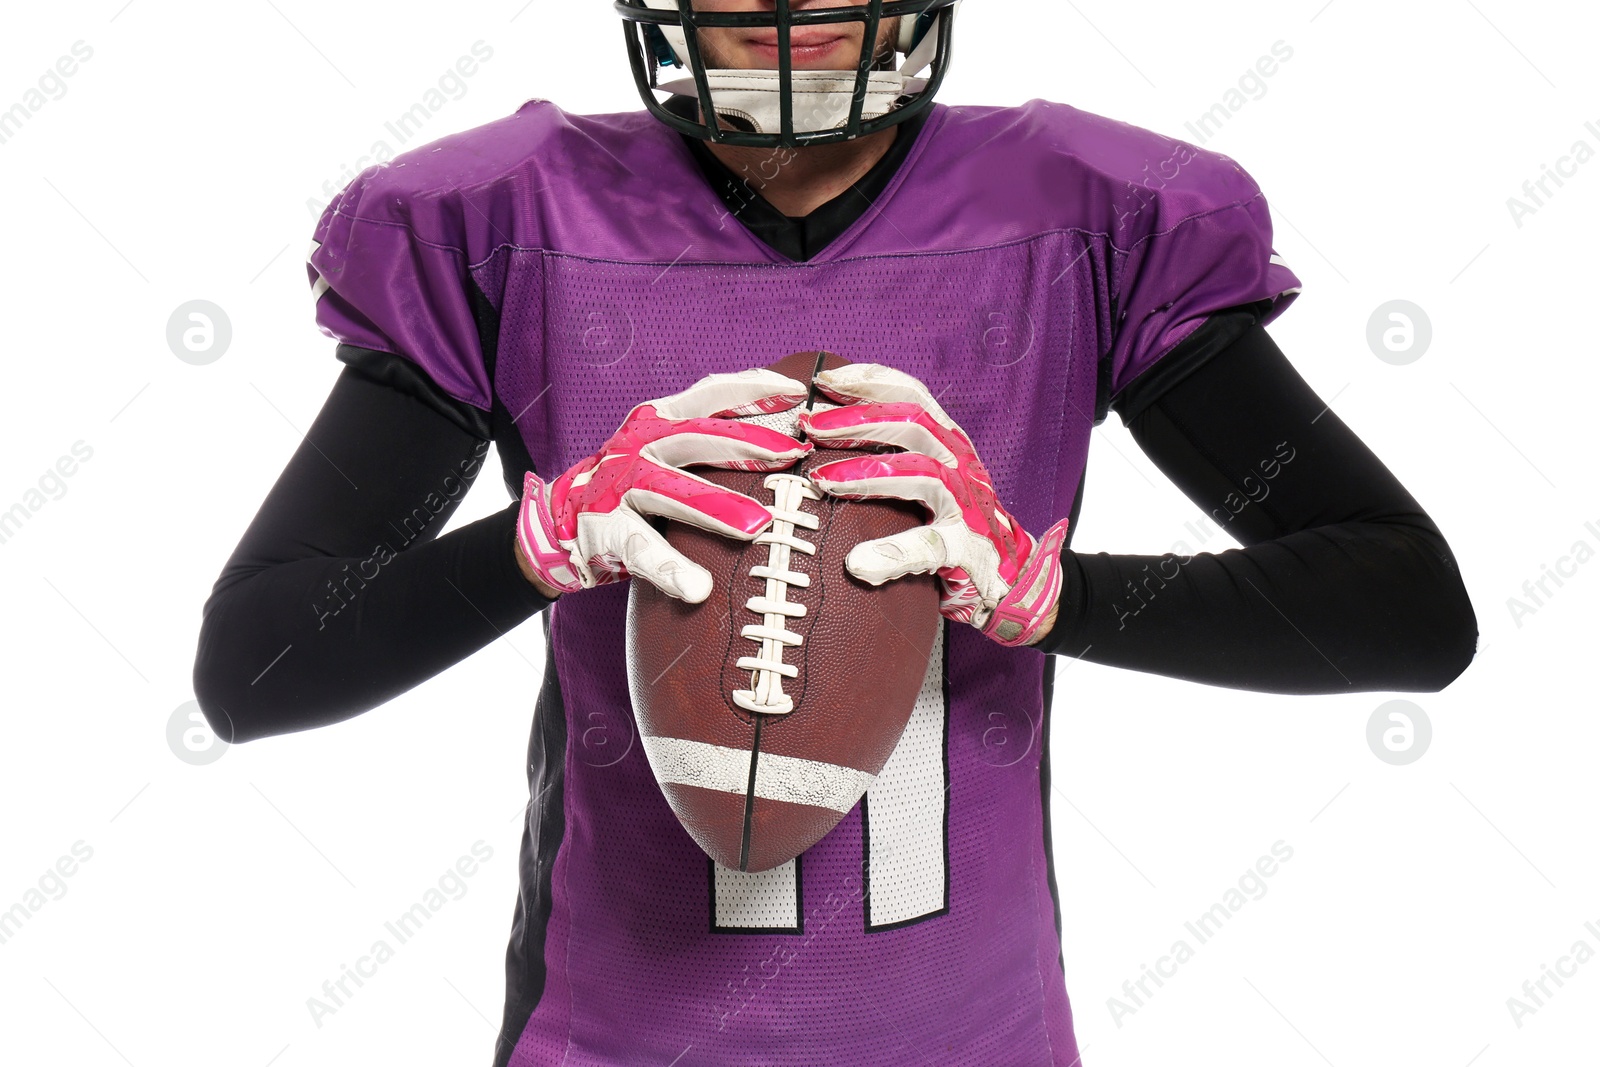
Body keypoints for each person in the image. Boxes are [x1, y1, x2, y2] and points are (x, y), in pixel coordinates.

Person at [192, 2, 1479, 1063]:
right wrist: (542, 539)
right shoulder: (498, 229)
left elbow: (1408, 606)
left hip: (980, 1034)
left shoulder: (1090, 220)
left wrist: (1048, 592)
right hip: (616, 1036)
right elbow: (254, 668)